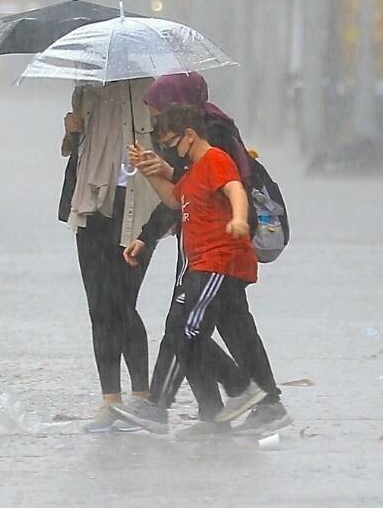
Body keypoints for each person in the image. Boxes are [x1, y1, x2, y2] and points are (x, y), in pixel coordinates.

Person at [113, 104, 290, 436]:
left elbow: (235, 189)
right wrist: (148, 171)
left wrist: (238, 217)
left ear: (190, 136)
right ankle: (220, 408)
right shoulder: (193, 170)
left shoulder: (215, 160)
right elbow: (173, 201)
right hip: (206, 263)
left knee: (186, 332)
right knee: (212, 330)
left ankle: (240, 388)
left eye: (172, 143)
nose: (170, 151)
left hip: (217, 262)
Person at [59, 79, 163, 433]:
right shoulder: (86, 89)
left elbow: (171, 151)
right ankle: (110, 401)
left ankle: (142, 396)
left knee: (122, 303)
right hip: (91, 205)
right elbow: (75, 151)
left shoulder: (151, 91)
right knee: (98, 307)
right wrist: (72, 132)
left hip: (137, 207)